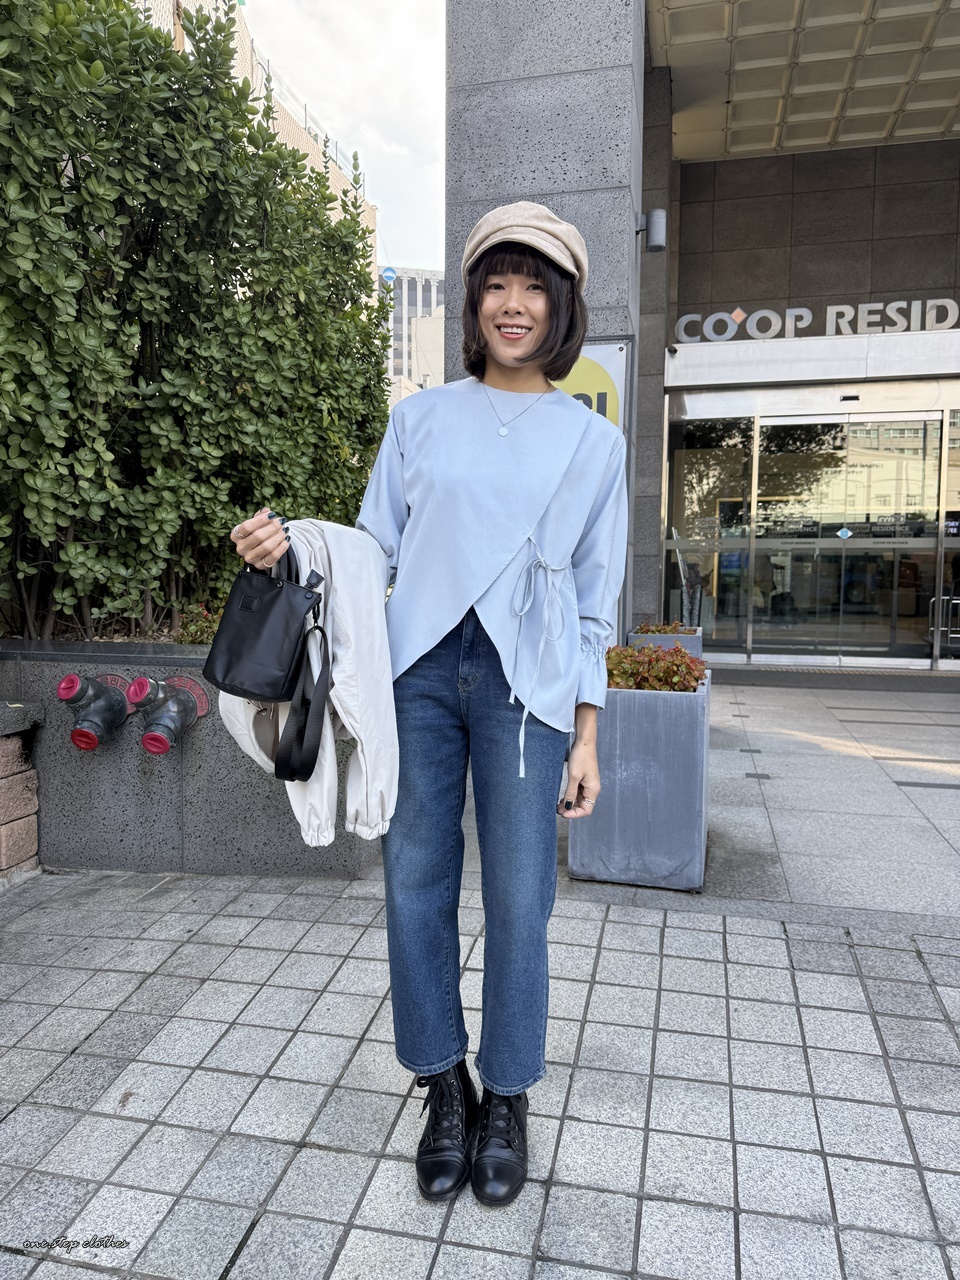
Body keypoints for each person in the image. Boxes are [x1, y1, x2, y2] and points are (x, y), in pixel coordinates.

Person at [230, 201, 628, 1208]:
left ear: (563, 306)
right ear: (473, 301)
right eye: (495, 283)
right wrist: (292, 544)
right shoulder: (420, 418)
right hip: (417, 673)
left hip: (528, 685)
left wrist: (588, 734)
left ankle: (509, 1094)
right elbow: (371, 550)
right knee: (414, 881)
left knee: (522, 899)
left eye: (533, 285)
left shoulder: (593, 441)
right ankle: (443, 1085)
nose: (512, 303)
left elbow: (596, 600)